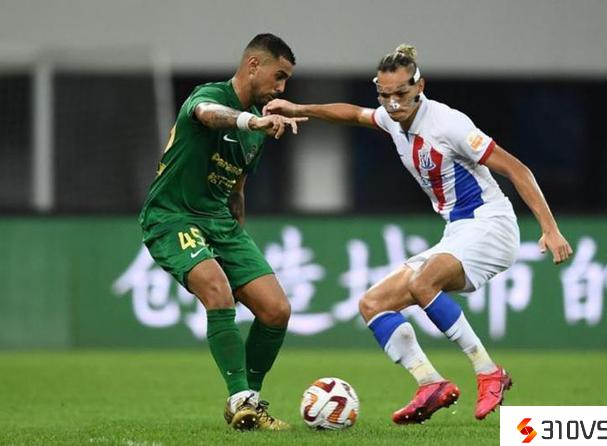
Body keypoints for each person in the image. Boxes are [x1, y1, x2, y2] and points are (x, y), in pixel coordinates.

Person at [265, 44, 573, 424]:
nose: (393, 103)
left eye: (401, 93)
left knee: (424, 282)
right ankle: (430, 383)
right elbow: (355, 114)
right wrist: (299, 108)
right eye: (385, 95)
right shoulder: (392, 117)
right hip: (458, 231)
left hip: (491, 224)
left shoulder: (448, 124)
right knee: (373, 304)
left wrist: (550, 229)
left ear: (420, 86)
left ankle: (488, 371)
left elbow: (518, 169)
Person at [138, 33, 307, 431]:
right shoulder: (209, 96)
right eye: (279, 76)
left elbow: (236, 188)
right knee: (217, 291)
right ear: (253, 65)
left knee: (276, 311)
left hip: (221, 224)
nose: (282, 88)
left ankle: (249, 403)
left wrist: (238, 249)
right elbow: (208, 114)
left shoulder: (256, 130)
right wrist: (252, 120)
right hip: (172, 216)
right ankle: (240, 397)